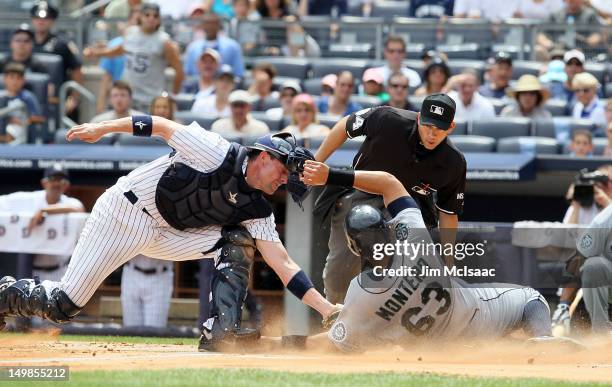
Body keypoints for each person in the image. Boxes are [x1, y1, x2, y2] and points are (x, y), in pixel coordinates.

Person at [0, 115, 340, 351]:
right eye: (284, 173)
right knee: (62, 305)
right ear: (265, 156)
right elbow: (160, 125)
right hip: (124, 212)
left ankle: (220, 334)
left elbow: (283, 265)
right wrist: (104, 128)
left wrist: (326, 309)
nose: (284, 182)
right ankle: (5, 296)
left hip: (166, 234)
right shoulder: (216, 149)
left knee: (235, 243)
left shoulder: (259, 210)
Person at [298, 161, 572, 351]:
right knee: (531, 298)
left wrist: (282, 342)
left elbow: (337, 342)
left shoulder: (360, 294)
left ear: (354, 246)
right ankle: (543, 339)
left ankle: (521, 346)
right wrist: (332, 175)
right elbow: (389, 182)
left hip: (443, 347)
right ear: (387, 231)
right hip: (481, 317)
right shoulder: (413, 238)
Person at [313, 94, 466, 303]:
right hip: (361, 192)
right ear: (419, 118)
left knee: (398, 273)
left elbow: (449, 214)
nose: (432, 134)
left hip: (406, 208)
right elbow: (345, 126)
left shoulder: (453, 162)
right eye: (428, 125)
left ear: (451, 127)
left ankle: (390, 324)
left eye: (439, 129)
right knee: (338, 273)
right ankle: (334, 315)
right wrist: (315, 162)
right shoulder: (388, 119)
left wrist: (449, 265)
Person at [84, 3, 185, 112]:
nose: (151, 18)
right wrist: (97, 53)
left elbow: (179, 71)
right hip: (129, 99)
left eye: (155, 16)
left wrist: (173, 96)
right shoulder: (130, 32)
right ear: (140, 17)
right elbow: (119, 50)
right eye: (147, 15)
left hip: (151, 100)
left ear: (159, 19)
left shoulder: (164, 41)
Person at [30, 1, 83, 119]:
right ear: (32, 20)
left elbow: (76, 69)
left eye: (46, 18)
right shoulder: (26, 42)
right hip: (32, 97)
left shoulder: (62, 43)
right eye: (37, 17)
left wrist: (74, 98)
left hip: (58, 98)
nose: (41, 21)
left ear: (52, 21)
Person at [96, 7, 141, 115]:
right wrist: (101, 104)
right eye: (135, 20)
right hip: (121, 100)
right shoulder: (114, 45)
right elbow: (106, 77)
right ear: (129, 21)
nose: (137, 24)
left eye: (140, 21)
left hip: (145, 101)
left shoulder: (152, 45)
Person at [184, 12, 245, 79]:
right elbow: (188, 74)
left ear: (219, 25)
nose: (210, 27)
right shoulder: (193, 48)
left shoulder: (232, 46)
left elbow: (238, 74)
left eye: (213, 24)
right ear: (202, 25)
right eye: (207, 23)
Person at [0, 63, 44, 145]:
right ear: (5, 79)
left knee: (9, 132)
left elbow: (39, 118)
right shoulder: (1, 96)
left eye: (18, 78)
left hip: (20, 128)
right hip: (1, 127)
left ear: (23, 80)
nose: (14, 81)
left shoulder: (27, 97)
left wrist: (22, 122)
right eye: (11, 77)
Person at [549, 49, 586, 114]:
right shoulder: (553, 88)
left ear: (583, 68)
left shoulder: (590, 91)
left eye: (578, 64)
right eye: (569, 63)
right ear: (564, 67)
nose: (573, 67)